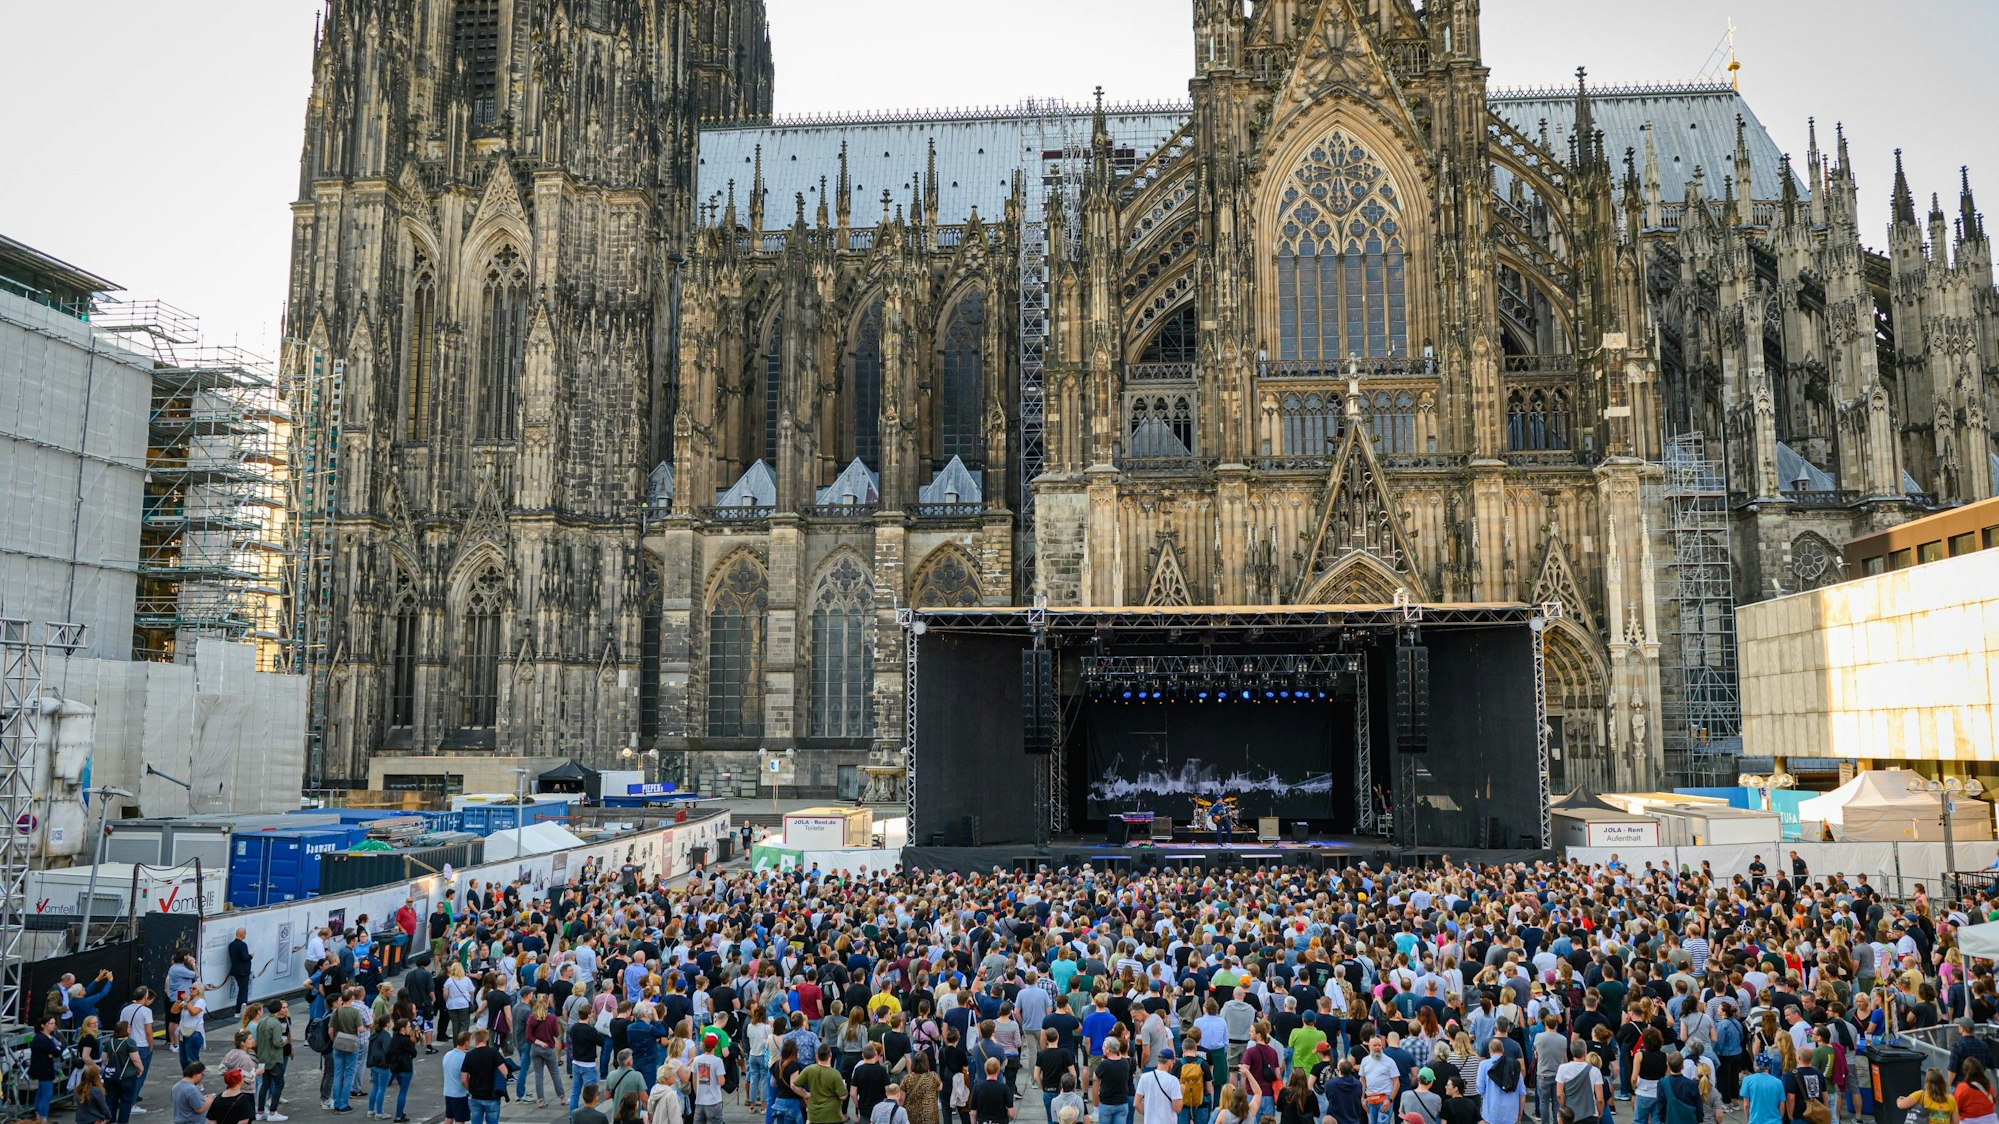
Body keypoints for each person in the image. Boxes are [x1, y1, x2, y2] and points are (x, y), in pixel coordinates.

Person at [460, 1028, 511, 1124]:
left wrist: (470, 1090)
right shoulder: (493, 1053)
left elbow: (463, 1079)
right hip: (491, 1095)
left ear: (476, 1039)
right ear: (486, 1039)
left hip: (475, 1096)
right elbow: (504, 1072)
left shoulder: (469, 1055)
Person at [1476, 1038, 1524, 1124]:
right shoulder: (1514, 1065)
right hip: (1511, 1115)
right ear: (1503, 1050)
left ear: (1490, 1050)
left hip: (1491, 1114)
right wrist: (1520, 1115)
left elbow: (1480, 1089)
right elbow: (1522, 1092)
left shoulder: (1483, 1065)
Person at [799, 1044, 849, 1124]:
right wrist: (844, 1088)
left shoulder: (809, 1069)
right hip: (832, 1115)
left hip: (814, 1115)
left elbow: (794, 1085)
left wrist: (805, 1094)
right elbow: (843, 1096)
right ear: (830, 1055)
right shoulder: (835, 1074)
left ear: (817, 1055)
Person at [1136, 1050, 1184, 1124]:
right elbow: (1177, 1109)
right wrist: (1182, 1093)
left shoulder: (1144, 1077)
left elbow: (1136, 1103)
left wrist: (1148, 1115)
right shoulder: (1173, 1080)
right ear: (1169, 1061)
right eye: (1173, 1062)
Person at [969, 1058, 1013, 1124]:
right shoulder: (1004, 1088)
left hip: (983, 1121)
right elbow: (1011, 1113)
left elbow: (973, 1113)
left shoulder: (977, 1087)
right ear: (998, 1070)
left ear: (985, 1070)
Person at [228, 930, 255, 1012]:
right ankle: (240, 1010)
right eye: (245, 933)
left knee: (241, 990)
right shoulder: (242, 945)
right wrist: (250, 956)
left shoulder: (231, 945)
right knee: (243, 991)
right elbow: (244, 958)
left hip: (235, 970)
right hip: (243, 971)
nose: (245, 935)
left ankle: (239, 1010)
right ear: (241, 934)